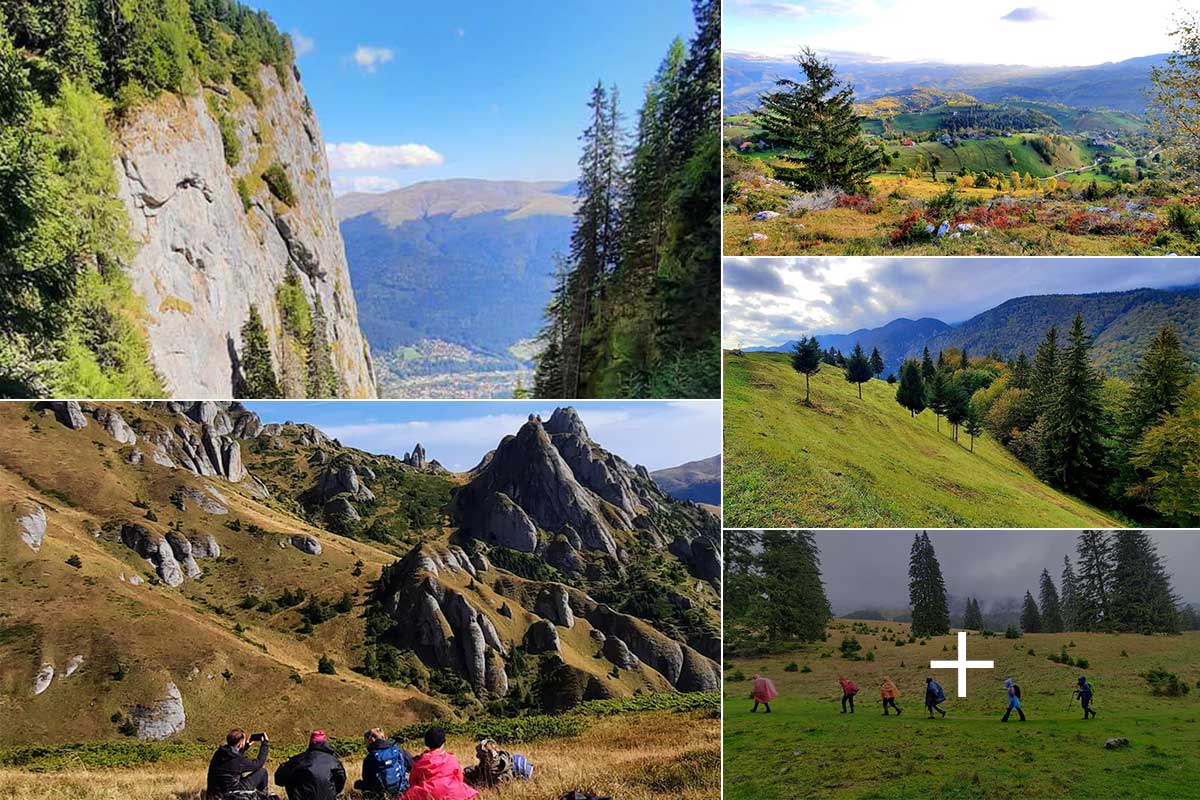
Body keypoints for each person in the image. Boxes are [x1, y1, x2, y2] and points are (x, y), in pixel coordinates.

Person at [403, 727, 480, 800]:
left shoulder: (419, 762)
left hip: (427, 793)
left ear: (427, 743)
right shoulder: (451, 759)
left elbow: (412, 781)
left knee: (407, 794)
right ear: (443, 742)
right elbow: (460, 778)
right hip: (450, 791)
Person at [274, 730, 346, 800]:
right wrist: (332, 791)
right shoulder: (334, 761)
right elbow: (341, 780)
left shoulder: (297, 760)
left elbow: (279, 780)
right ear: (325, 743)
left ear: (311, 743)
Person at [207, 728, 272, 799]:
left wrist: (246, 746)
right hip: (232, 793)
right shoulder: (238, 761)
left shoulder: (219, 753)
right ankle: (262, 796)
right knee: (262, 772)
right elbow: (259, 763)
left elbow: (233, 755)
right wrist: (265, 744)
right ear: (239, 745)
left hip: (214, 793)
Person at [355, 728, 414, 798]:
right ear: (384, 737)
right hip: (402, 790)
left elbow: (367, 779)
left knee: (357, 784)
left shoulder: (370, 758)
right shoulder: (398, 750)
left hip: (380, 794)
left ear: (371, 740)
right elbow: (412, 765)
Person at [463, 738, 534, 788]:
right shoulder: (497, 760)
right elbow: (480, 770)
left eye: (480, 754)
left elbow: (491, 782)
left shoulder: (500, 767)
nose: (477, 756)